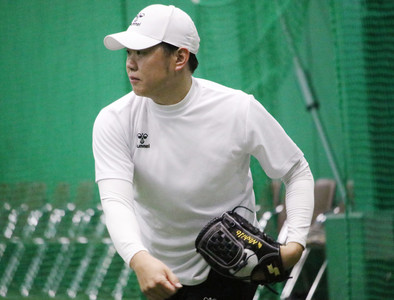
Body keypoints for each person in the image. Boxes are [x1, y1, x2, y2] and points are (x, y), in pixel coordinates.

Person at [92, 4, 314, 300]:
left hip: (232, 270)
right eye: (128, 53)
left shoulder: (237, 108)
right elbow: (116, 200)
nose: (131, 63)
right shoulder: (115, 119)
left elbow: (296, 170)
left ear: (180, 57)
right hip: (162, 274)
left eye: (142, 52)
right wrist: (139, 258)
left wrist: (295, 243)